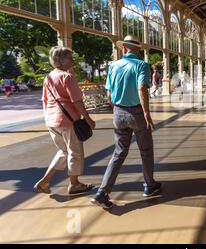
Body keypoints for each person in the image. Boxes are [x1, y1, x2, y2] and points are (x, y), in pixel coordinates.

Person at [91, 35, 160, 209]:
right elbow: (142, 87)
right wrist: (146, 113)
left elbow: (108, 94)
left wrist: (118, 108)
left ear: (123, 49)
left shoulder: (113, 66)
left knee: (118, 153)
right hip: (136, 112)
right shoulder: (141, 65)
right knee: (146, 150)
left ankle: (102, 192)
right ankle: (149, 186)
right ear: (138, 51)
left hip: (118, 113)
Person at [34, 46, 96, 195]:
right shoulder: (67, 77)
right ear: (61, 61)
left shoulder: (48, 77)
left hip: (52, 121)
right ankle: (74, 184)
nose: (73, 60)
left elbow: (44, 100)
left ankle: (45, 180)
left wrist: (47, 118)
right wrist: (88, 118)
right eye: (70, 57)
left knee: (64, 151)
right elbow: (77, 101)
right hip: (69, 121)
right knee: (75, 152)